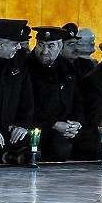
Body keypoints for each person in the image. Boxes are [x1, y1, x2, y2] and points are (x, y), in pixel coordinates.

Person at [27, 27, 91, 161]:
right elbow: (28, 106)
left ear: (60, 46)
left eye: (51, 46)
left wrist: (76, 123)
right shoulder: (27, 67)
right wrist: (54, 124)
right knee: (61, 149)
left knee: (96, 145)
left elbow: (78, 100)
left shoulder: (67, 68)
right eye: (41, 45)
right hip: (41, 125)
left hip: (67, 125)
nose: (45, 51)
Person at [0, 18, 34, 163]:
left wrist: (23, 124)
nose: (18, 47)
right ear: (1, 43)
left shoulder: (19, 58)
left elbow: (26, 95)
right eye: (15, 44)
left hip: (10, 125)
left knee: (32, 141)